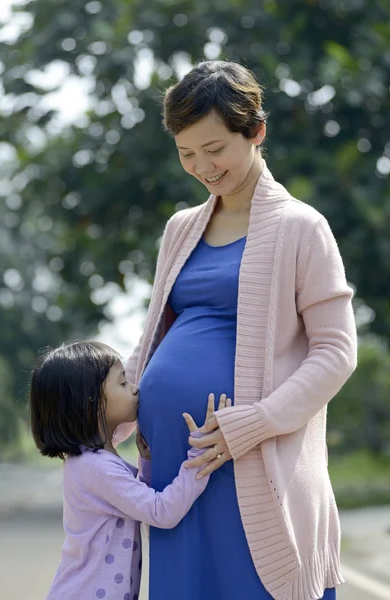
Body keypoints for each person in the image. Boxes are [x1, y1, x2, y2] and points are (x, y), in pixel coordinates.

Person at [114, 60, 357, 600]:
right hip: (176, 469)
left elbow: (337, 351)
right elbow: (152, 338)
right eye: (186, 154)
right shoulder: (181, 229)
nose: (202, 166)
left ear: (256, 132)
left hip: (255, 460)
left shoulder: (302, 227)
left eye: (215, 148)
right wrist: (106, 421)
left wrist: (255, 422)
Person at [30, 340, 228, 600]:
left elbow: (136, 502)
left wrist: (146, 463)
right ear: (92, 403)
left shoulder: (92, 461)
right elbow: (161, 511)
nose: (135, 390)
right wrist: (202, 455)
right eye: (123, 383)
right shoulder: (96, 468)